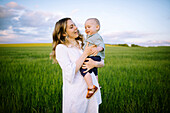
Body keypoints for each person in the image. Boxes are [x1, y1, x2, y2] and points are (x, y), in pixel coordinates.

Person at [50, 17, 104, 113]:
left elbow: (101, 63)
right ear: (64, 33)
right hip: (77, 96)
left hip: (92, 93)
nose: (76, 28)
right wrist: (85, 54)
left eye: (74, 25)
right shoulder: (61, 48)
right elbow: (69, 73)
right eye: (71, 27)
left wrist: (94, 63)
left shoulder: (82, 44)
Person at [80, 18, 105, 89]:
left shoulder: (96, 36)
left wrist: (98, 49)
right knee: (94, 71)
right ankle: (97, 84)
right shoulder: (90, 36)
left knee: (84, 69)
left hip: (93, 56)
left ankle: (91, 86)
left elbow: (101, 44)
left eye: (89, 27)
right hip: (95, 57)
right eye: (85, 28)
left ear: (97, 27)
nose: (86, 29)